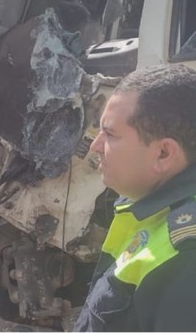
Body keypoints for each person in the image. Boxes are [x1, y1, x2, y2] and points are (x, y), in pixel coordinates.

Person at [75, 64, 196, 331]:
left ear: (164, 154)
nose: (95, 146)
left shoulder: (187, 260)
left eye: (110, 134)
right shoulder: (146, 204)